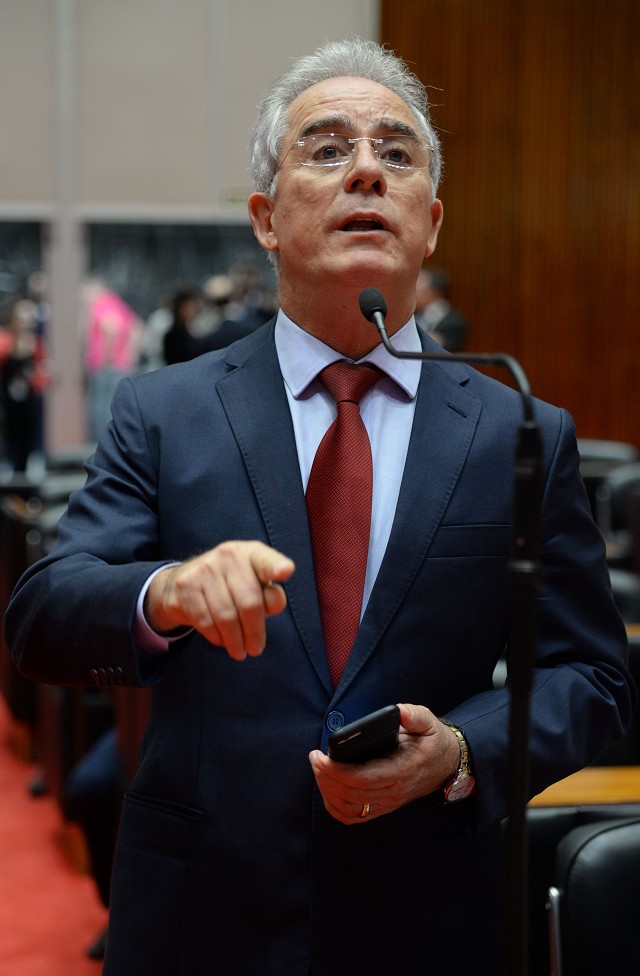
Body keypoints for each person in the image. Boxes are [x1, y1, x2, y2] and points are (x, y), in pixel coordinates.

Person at [4, 38, 634, 976]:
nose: (367, 170)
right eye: (328, 149)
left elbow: (594, 676)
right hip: (201, 916)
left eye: (396, 153)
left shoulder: (518, 428)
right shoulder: (167, 411)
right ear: (266, 218)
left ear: (431, 222)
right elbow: (43, 616)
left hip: (430, 918)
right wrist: (165, 591)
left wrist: (462, 750)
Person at [414, 266, 469, 351]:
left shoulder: (455, 322)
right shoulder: (413, 315)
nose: (414, 293)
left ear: (434, 291)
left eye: (418, 289)